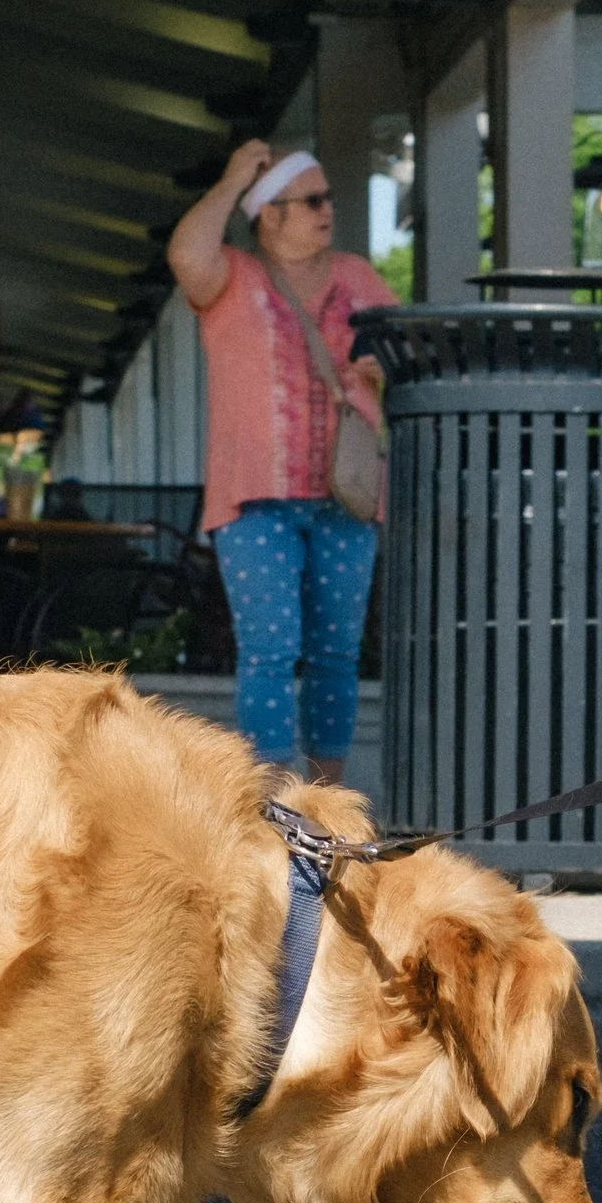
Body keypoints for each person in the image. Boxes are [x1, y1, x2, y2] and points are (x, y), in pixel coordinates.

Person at [167, 139, 393, 782]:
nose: (328, 210)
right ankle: (271, 805)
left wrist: (385, 367)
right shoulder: (232, 273)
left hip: (345, 493)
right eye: (313, 201)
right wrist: (233, 175)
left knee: (336, 656)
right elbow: (185, 253)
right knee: (269, 653)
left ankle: (327, 801)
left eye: (329, 199)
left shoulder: (359, 279)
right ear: (270, 214)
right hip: (253, 498)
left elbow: (408, 353)